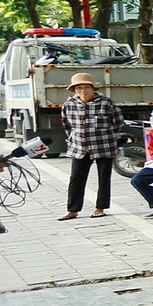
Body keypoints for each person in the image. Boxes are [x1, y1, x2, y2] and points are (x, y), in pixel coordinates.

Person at [58, 73, 122, 221]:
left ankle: (100, 207)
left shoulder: (106, 103)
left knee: (104, 178)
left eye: (86, 87)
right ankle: (72, 210)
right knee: (76, 178)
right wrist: (74, 138)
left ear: (93, 88)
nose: (83, 91)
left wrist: (109, 136)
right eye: (79, 88)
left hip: (104, 145)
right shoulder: (69, 104)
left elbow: (117, 122)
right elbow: (67, 125)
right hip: (80, 147)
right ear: (74, 90)